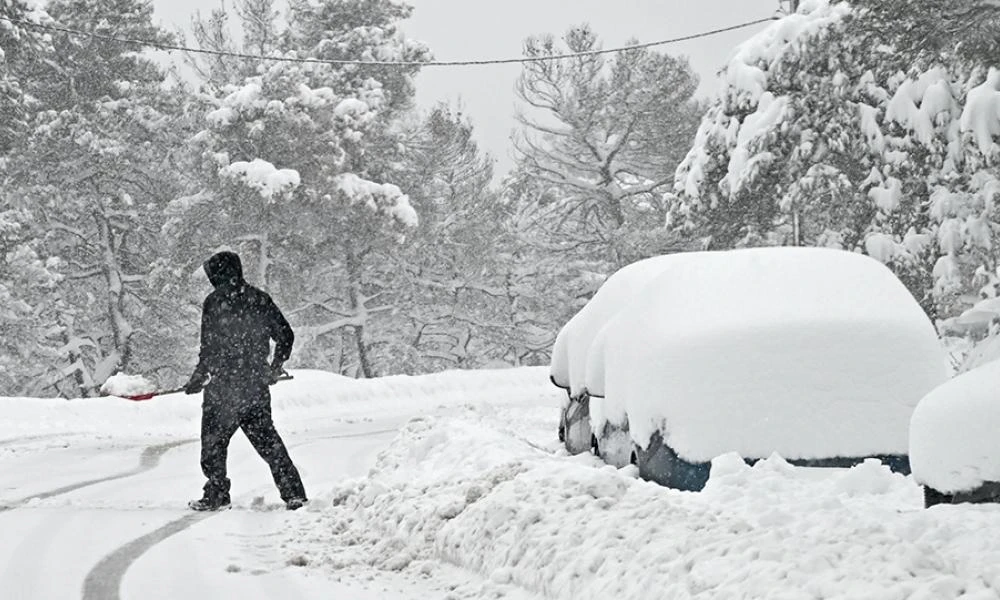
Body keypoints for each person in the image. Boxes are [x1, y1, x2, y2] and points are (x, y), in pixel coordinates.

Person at [183, 250, 307, 511]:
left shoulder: (214, 303)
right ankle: (294, 495)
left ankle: (217, 492)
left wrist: (199, 375)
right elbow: (285, 334)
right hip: (253, 387)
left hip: (222, 389)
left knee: (213, 446)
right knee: (269, 444)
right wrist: (275, 366)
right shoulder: (259, 299)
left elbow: (208, 348)